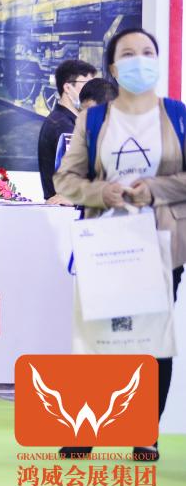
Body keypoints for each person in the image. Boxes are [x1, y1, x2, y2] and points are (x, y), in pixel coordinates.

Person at [55, 27, 185, 463]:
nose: (139, 59)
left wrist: (155, 189)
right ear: (113, 66)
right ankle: (87, 428)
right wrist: (100, 192)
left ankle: (145, 432)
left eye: (147, 52)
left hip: (162, 241)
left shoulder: (177, 115)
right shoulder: (93, 120)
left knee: (152, 339)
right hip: (105, 241)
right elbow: (65, 179)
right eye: (129, 53)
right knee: (99, 336)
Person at [38, 59, 97, 203]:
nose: (92, 92)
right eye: (87, 85)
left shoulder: (63, 121)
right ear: (68, 88)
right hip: (67, 212)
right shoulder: (63, 126)